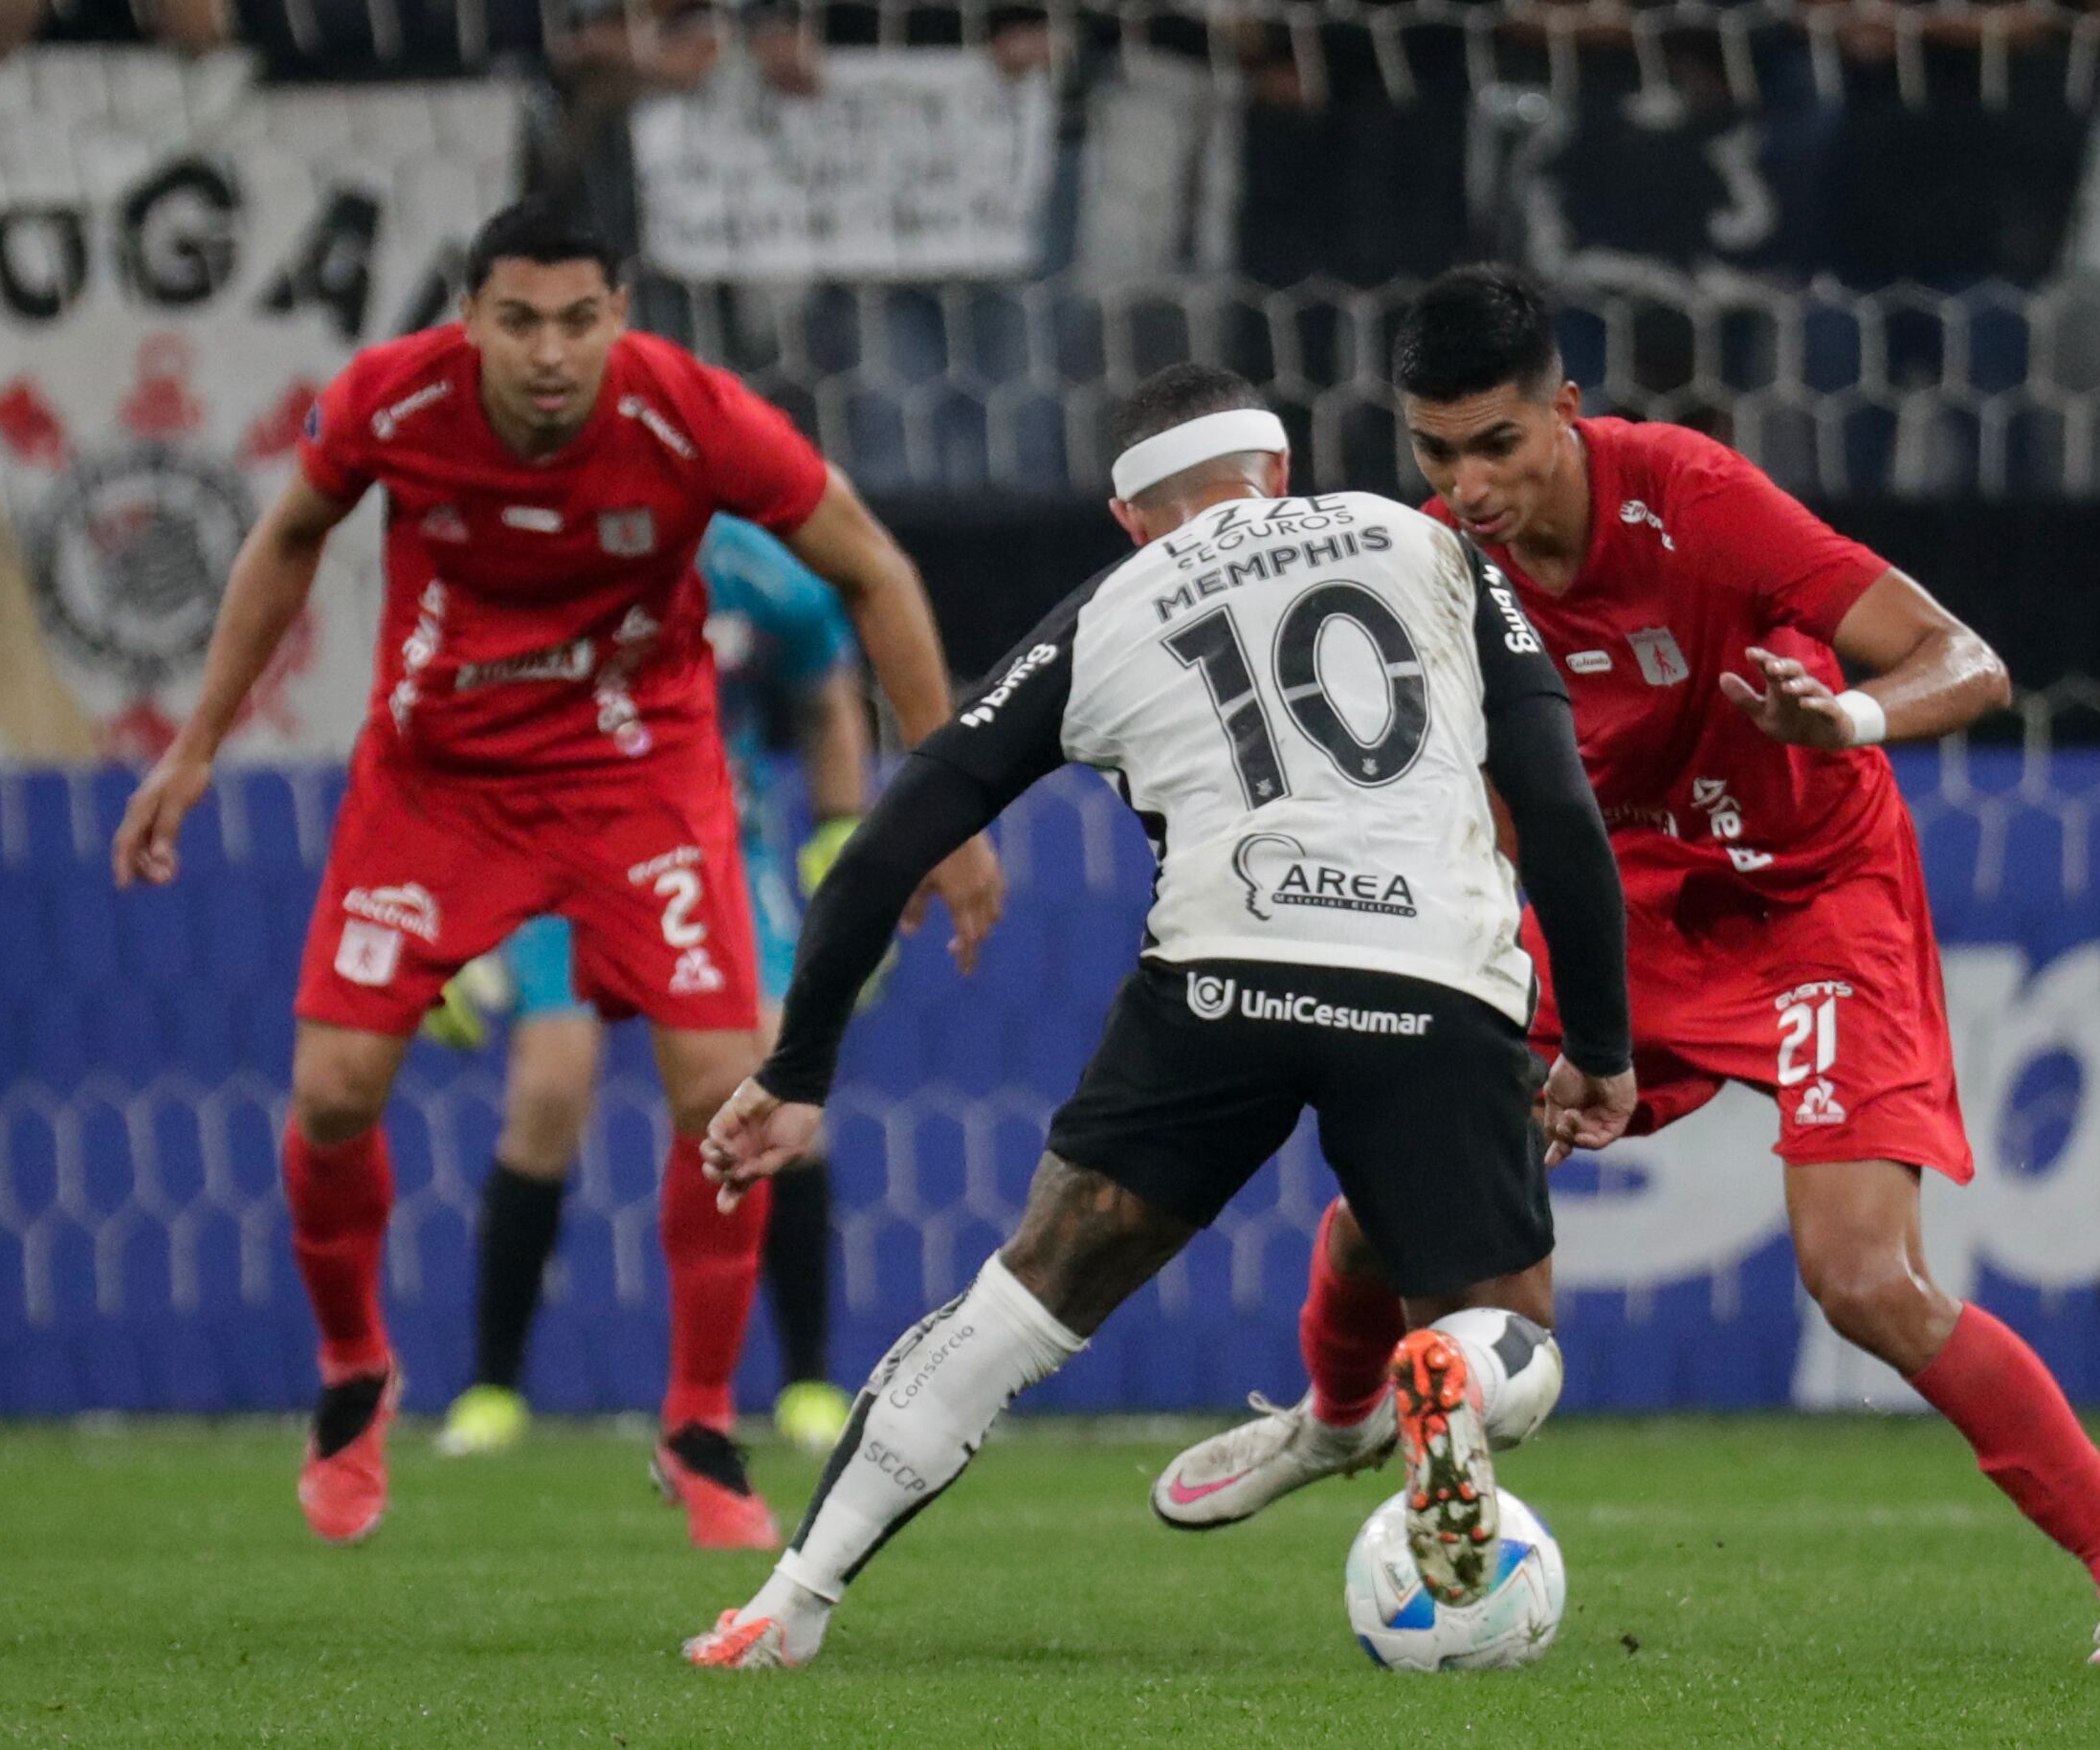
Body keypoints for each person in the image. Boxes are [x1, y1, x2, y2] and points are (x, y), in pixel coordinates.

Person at [1152, 266, 2100, 1666]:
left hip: (1811, 893)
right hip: (1614, 901)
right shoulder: (1428, 567)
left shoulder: (1692, 496)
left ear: (1566, 412)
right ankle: (1337, 1413)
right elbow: (1466, 795)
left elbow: (1963, 660)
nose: (1465, 486)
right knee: (1396, 1193)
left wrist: (1845, 714)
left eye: (1496, 445)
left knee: (1861, 1281)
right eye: (1433, 451)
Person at [677, 362, 1636, 1670]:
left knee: (1017, 1306)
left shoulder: (1108, 609)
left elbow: (887, 844)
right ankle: (1453, 1381)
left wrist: (795, 1071)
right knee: (1503, 1329)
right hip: (1432, 975)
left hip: (1221, 975)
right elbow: (1565, 821)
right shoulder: (1427, 547)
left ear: (1129, 517)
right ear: (1279, 474)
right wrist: (1598, 1048)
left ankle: (786, 1603)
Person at [110, 200, 1003, 1551]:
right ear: (466, 318)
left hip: (636, 784)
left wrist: (941, 804)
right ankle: (356, 1372)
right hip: (435, 786)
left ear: (618, 318)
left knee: (724, 1090)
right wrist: (193, 750)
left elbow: (872, 569)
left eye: (579, 321)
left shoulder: (689, 416)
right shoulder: (389, 404)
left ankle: (699, 1422)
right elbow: (290, 537)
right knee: (335, 1090)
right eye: (517, 320)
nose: (548, 352)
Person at [431, 514, 878, 1461]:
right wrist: (452, 906)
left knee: (776, 1073)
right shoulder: (534, 552)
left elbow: (828, 688)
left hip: (722, 858)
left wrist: (842, 841)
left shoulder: (754, 568)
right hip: (563, 853)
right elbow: (453, 725)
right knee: (550, 1085)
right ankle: (491, 1388)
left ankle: (806, 1381)